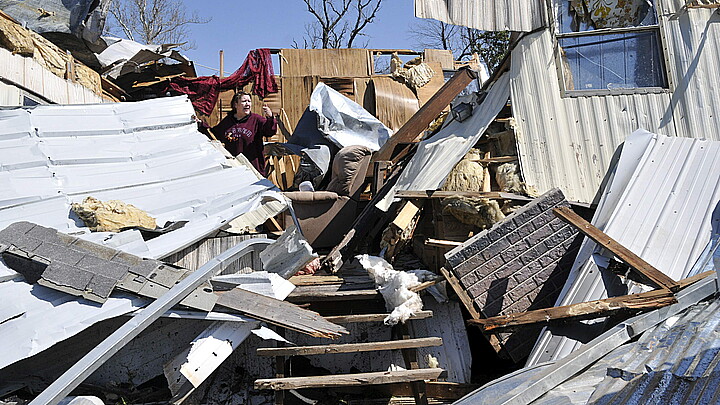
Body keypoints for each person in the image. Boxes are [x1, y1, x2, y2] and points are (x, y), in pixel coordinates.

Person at [211, 91, 277, 176]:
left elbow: (270, 131)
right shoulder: (228, 121)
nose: (247, 104)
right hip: (234, 167)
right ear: (235, 104)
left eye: (249, 101)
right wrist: (201, 125)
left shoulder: (256, 120)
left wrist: (270, 118)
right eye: (244, 101)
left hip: (253, 168)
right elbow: (214, 134)